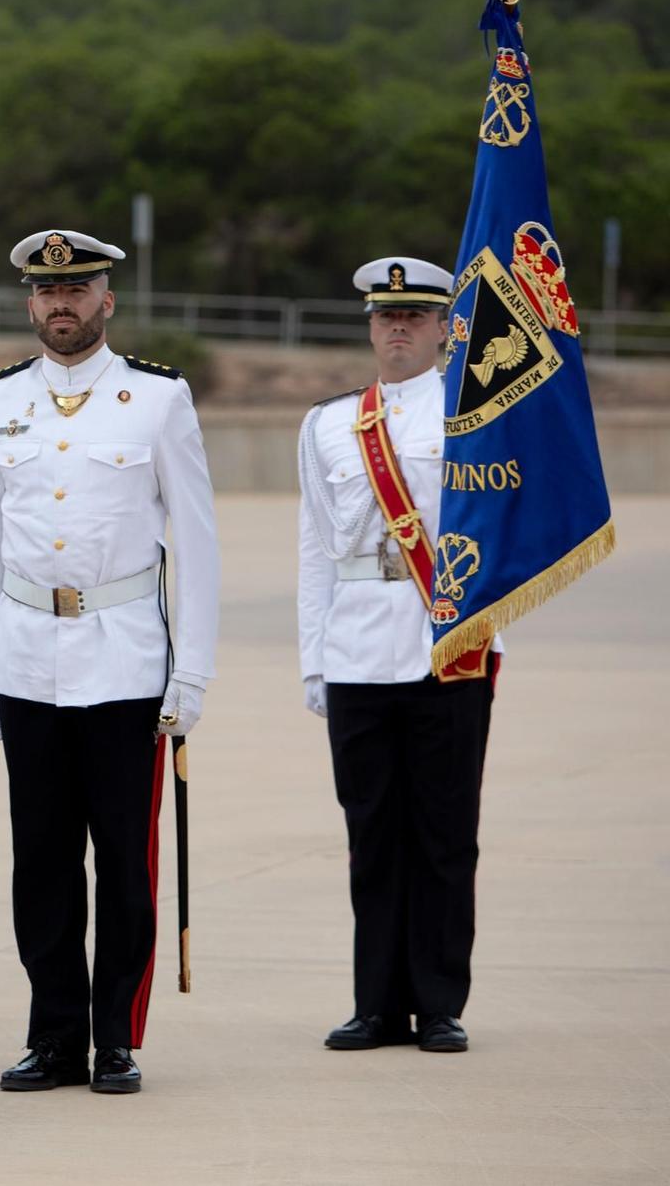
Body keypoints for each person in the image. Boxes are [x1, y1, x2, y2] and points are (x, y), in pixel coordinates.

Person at [0, 228, 219, 1096]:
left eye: (78, 288)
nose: (61, 302)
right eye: (47, 290)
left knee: (123, 855)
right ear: (30, 302)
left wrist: (192, 673)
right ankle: (53, 1033)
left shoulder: (157, 399)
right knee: (38, 859)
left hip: (125, 664)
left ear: (107, 299)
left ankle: (115, 1034)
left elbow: (197, 540)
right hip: (29, 659)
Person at [297, 257, 498, 1057]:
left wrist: (490, 628)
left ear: (447, 328)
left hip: (448, 643)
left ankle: (439, 1000)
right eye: (387, 316)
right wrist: (314, 659)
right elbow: (314, 547)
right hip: (355, 649)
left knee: (446, 833)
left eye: (417, 316)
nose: (400, 329)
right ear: (371, 325)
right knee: (371, 832)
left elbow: (504, 532)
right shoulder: (328, 425)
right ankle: (376, 1002)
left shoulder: (480, 415)